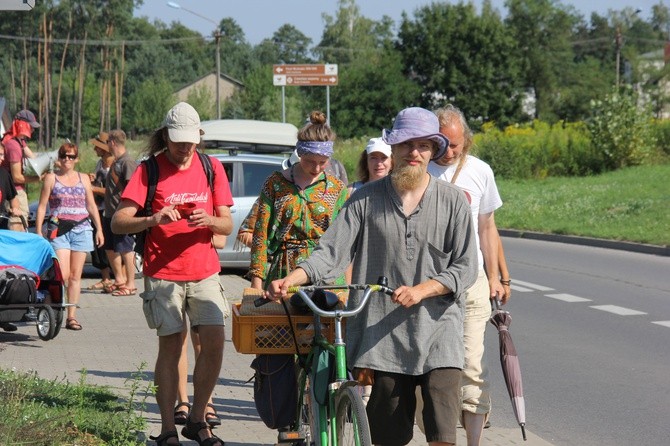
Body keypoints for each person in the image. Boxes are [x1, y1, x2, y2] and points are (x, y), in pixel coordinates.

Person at [267, 106, 479, 446]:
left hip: (440, 333)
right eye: (407, 145)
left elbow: (466, 266)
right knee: (387, 437)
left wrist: (423, 290)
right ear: (392, 148)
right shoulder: (364, 200)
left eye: (423, 146)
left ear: (433, 151)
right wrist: (293, 278)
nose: (414, 153)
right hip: (383, 338)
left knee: (442, 433)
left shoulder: (453, 201)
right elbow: (331, 252)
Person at [112, 102, 232, 446]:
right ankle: (167, 429)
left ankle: (197, 418)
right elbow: (119, 221)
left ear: (199, 139)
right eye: (179, 142)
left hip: (205, 270)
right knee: (171, 347)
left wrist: (209, 220)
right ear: (165, 136)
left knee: (214, 342)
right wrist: (153, 219)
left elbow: (226, 222)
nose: (185, 149)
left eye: (191, 142)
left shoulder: (212, 167)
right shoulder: (148, 171)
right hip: (163, 273)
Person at [415, 104, 510, 445]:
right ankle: (436, 433)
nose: (449, 151)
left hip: (470, 282)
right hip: (425, 284)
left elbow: (487, 227)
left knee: (472, 366)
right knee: (426, 370)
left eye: (456, 145)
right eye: (443, 143)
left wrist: (497, 276)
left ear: (466, 141)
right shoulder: (418, 169)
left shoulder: (480, 172)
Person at [248, 110, 348, 291]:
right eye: (310, 161)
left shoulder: (337, 188)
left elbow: (344, 241)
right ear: (300, 153)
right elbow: (260, 235)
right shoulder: (276, 184)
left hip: (326, 276)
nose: (316, 168)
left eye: (323, 161)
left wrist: (347, 287)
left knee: (326, 319)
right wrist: (257, 282)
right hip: (284, 274)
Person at [35, 142, 104, 331]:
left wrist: (99, 229)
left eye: (71, 156)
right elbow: (42, 206)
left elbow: (91, 205)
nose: (67, 159)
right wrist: (39, 230)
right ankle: (49, 305)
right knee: (62, 274)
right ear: (59, 159)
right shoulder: (51, 178)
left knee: (75, 276)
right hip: (59, 229)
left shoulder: (83, 178)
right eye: (64, 156)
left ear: (77, 159)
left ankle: (71, 317)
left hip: (82, 229)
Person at [102, 129, 138, 296]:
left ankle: (130, 283)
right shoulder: (117, 162)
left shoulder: (127, 162)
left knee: (125, 248)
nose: (107, 145)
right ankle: (120, 279)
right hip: (110, 213)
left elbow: (133, 187)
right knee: (111, 247)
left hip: (122, 213)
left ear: (113, 143)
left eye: (108, 142)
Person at [0, 109, 41, 231]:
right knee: (18, 228)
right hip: (15, 193)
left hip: (15, 191)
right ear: (22, 124)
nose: (32, 130)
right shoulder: (13, 145)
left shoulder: (19, 140)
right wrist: (38, 178)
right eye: (30, 126)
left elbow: (34, 158)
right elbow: (17, 177)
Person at [87, 132, 114, 290]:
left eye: (97, 146)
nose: (95, 148)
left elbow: (114, 191)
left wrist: (94, 188)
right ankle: (105, 278)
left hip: (110, 209)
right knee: (99, 246)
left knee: (113, 245)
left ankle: (119, 278)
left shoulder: (114, 165)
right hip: (98, 208)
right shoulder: (100, 164)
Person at [0, 143, 22, 230]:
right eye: (0, 155)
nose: (3, 158)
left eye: (3, 155)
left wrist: (15, 208)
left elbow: (13, 198)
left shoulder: (4, 174)